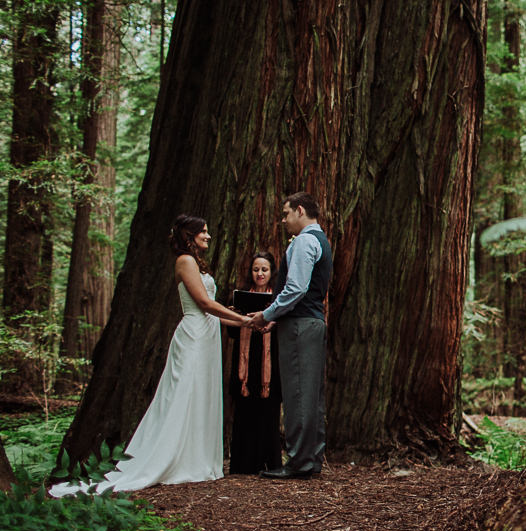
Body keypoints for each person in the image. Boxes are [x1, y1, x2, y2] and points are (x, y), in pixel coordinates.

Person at [51, 215, 250, 497]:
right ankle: (172, 458)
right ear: (189, 236)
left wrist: (245, 322)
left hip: (208, 333)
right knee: (184, 394)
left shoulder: (197, 262)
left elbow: (213, 312)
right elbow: (204, 303)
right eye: (203, 232)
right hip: (193, 335)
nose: (208, 236)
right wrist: (242, 321)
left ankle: (197, 458)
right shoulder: (185, 261)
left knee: (202, 395)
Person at [249, 192, 332, 480]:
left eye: (286, 214)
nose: (283, 220)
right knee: (312, 395)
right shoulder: (322, 240)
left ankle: (298, 462)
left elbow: (295, 288)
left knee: (298, 393)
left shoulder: (305, 241)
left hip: (300, 326)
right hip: (310, 322)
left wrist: (267, 314)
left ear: (300, 210)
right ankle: (311, 459)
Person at [227, 251, 283, 474]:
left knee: (268, 412)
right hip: (245, 363)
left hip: (270, 362)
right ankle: (243, 464)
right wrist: (234, 316)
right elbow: (232, 334)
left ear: (272, 272)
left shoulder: (279, 298)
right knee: (244, 412)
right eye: (256, 269)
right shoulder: (239, 296)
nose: (260, 273)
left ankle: (269, 463)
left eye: (265, 269)